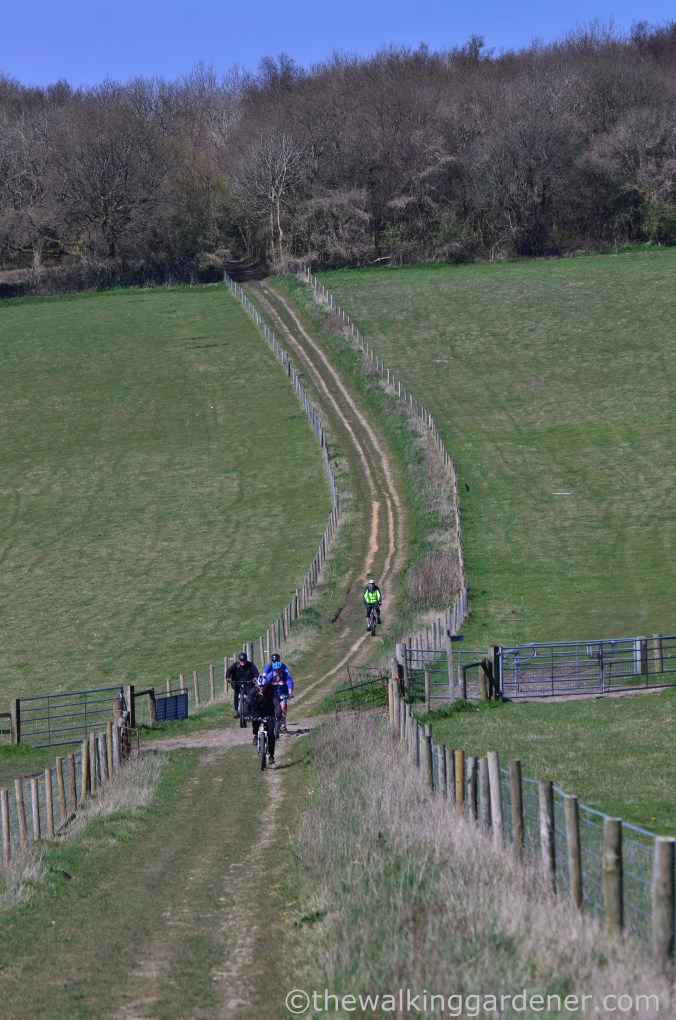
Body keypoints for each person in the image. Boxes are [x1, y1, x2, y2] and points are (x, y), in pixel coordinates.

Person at [245, 674, 280, 764]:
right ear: (257, 685)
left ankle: (271, 755)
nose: (261, 688)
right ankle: (256, 736)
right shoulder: (253, 691)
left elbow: (276, 703)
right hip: (257, 710)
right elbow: (247, 702)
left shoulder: (271, 691)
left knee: (271, 734)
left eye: (263, 686)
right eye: (260, 686)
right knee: (255, 720)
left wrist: (278, 715)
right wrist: (246, 714)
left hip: (269, 712)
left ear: (266, 685)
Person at [226, 652, 259, 717]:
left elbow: (256, 672)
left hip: (248, 683)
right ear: (239, 660)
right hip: (237, 682)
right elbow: (229, 671)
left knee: (250, 694)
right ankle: (236, 711)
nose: (242, 662)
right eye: (241, 660)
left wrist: (255, 678)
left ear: (246, 660)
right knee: (236, 695)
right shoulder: (236, 665)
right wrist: (228, 678)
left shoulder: (250, 665)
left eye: (244, 660)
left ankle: (251, 709)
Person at [269, 659, 294, 732]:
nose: (277, 672)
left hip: (283, 694)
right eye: (276, 670)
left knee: (283, 707)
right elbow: (266, 683)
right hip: (273, 695)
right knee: (272, 708)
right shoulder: (271, 675)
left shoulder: (285, 674)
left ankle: (283, 724)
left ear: (281, 669)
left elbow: (289, 683)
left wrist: (289, 693)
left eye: (279, 670)